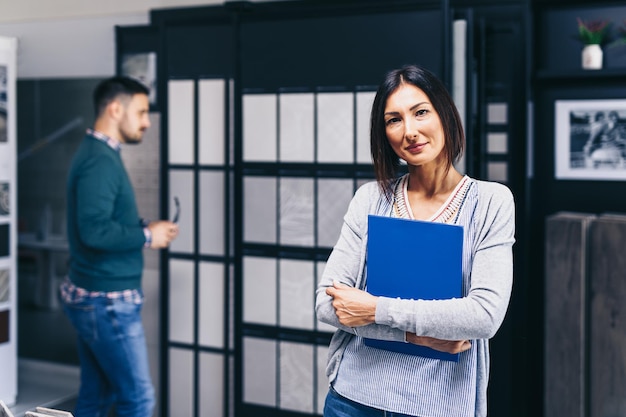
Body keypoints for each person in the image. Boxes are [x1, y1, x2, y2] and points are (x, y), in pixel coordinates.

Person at [315, 64, 515, 417]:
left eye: (421, 112)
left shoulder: (490, 202)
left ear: (444, 114)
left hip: (438, 406)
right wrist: (413, 337)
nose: (410, 131)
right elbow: (327, 304)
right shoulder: (370, 198)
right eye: (394, 120)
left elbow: (483, 315)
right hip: (352, 399)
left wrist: (375, 310)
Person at [60, 76, 179, 417]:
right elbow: (94, 232)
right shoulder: (99, 160)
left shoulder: (100, 154)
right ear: (115, 109)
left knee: (96, 398)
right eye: (141, 112)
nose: (146, 121)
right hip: (106, 301)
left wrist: (146, 228)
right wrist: (146, 237)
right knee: (138, 400)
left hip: (98, 296)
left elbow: (100, 222)